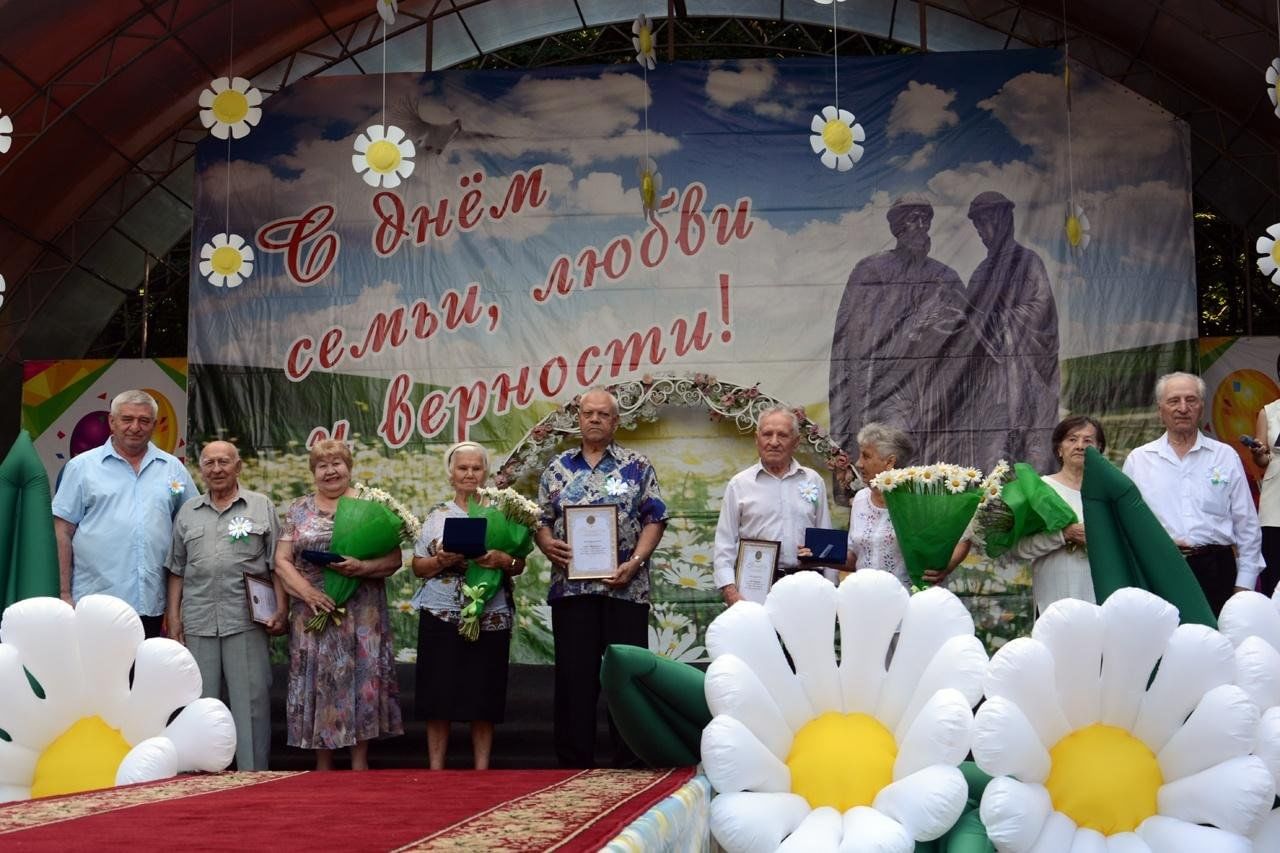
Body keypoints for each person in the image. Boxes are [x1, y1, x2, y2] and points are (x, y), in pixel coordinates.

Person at [535, 388, 667, 768]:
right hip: (572, 590)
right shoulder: (556, 467)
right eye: (587, 413)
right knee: (574, 679)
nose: (594, 419)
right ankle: (573, 764)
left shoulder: (637, 466)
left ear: (615, 421)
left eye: (602, 414)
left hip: (625, 588)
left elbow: (654, 518)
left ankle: (629, 761)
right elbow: (540, 521)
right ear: (578, 419)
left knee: (626, 681)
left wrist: (637, 561)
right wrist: (546, 544)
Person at [272, 438, 404, 770]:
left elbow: (394, 559)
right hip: (313, 609)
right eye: (322, 465)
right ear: (313, 472)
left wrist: (363, 567)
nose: (331, 471)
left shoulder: (371, 507)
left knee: (361, 680)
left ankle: (360, 763)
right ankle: (323, 765)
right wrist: (308, 593)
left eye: (337, 463)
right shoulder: (298, 509)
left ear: (349, 467)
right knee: (321, 681)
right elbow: (282, 561)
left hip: (361, 612)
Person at [829, 194, 986, 468]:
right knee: (893, 450)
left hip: (934, 385)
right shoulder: (872, 270)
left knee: (933, 463)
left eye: (926, 219)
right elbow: (856, 334)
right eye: (913, 218)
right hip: (888, 384)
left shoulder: (944, 276)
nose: (921, 225)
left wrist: (941, 326)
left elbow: (967, 327)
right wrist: (908, 329)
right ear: (897, 227)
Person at [166, 440, 286, 770]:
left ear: (238, 466)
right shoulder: (188, 512)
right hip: (199, 621)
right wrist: (173, 618)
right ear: (200, 469)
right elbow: (176, 569)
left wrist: (281, 610)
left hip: (246, 621)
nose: (216, 469)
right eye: (209, 463)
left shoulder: (261, 506)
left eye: (224, 462)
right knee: (200, 705)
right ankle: (205, 779)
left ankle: (252, 776)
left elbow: (279, 564)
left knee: (251, 703)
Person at [410, 441, 526, 770]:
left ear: (486, 473)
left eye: (476, 468)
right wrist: (440, 560)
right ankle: (435, 768)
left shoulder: (501, 513)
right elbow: (417, 567)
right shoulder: (436, 516)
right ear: (451, 474)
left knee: (484, 692)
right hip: (441, 613)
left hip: (490, 614)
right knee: (438, 693)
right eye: (463, 468)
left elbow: (519, 563)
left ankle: (482, 767)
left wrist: (503, 559)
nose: (470, 474)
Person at [52, 389, 197, 638]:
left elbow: (193, 524)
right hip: (95, 600)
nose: (135, 427)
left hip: (151, 601)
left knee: (143, 675)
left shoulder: (172, 468)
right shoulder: (81, 467)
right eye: (127, 419)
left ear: (154, 425)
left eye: (143, 420)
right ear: (112, 421)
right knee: (99, 676)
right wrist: (64, 593)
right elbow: (62, 532)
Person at [1123, 372, 1263, 615]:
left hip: (1217, 569)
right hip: (1161, 567)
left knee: (1218, 645)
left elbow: (1247, 524)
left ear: (1201, 407)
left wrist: (1244, 585)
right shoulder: (1139, 460)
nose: (1183, 408)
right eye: (1174, 401)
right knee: (1165, 647)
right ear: (1160, 410)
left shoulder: (1224, 455)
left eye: (1191, 400)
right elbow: (1127, 525)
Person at [965, 191, 1060, 472]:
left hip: (1030, 379)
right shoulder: (980, 273)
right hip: (992, 387)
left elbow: (1041, 309)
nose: (982, 231)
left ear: (1004, 219)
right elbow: (968, 324)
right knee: (991, 462)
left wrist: (993, 322)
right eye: (978, 225)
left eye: (986, 222)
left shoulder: (1029, 263)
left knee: (1036, 457)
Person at [714, 407, 834, 605]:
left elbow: (826, 540)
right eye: (767, 434)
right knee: (759, 637)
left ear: (796, 442)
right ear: (757, 438)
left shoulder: (813, 480)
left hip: (807, 586)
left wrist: (831, 589)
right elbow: (724, 545)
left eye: (783, 435)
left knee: (803, 638)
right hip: (755, 588)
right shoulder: (740, 484)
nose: (774, 442)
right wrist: (731, 592)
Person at [1005, 416, 1100, 614]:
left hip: (1100, 599)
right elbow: (1018, 549)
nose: (1080, 446)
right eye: (1072, 439)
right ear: (1059, 449)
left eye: (1088, 440)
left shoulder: (1109, 493)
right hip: (1053, 601)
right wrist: (1063, 535)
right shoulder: (1041, 490)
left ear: (1099, 449)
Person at [842, 422, 914, 590]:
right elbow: (854, 556)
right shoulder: (860, 499)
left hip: (904, 601)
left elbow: (963, 537)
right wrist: (817, 556)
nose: (858, 464)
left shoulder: (916, 501)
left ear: (889, 462)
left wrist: (944, 568)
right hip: (864, 598)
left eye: (866, 456)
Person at [1250, 386, 1280, 596]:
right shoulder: (1268, 411)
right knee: (1274, 566)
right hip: (1275, 498)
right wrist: (1258, 452)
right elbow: (1262, 460)